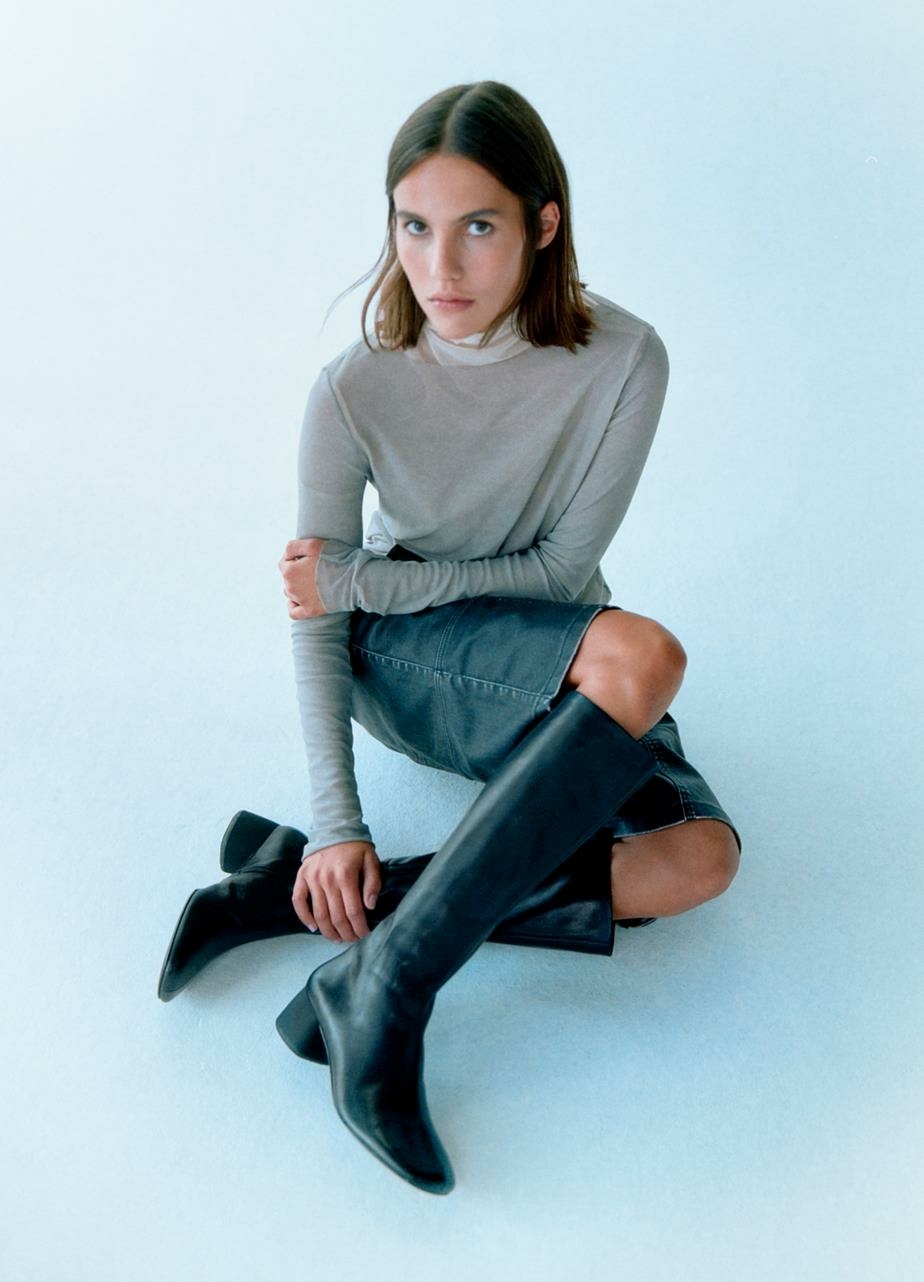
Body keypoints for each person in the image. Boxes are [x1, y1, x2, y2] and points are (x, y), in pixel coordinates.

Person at [158, 81, 741, 1194]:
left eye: (478, 226)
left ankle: (292, 900)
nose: (441, 267)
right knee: (644, 656)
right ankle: (390, 989)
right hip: (406, 662)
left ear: (544, 224)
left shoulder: (626, 359)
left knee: (698, 859)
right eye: (413, 226)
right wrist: (339, 818)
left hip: (550, 654)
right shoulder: (353, 389)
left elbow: (559, 575)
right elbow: (321, 616)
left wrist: (370, 576)